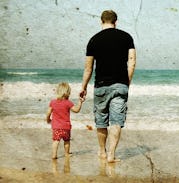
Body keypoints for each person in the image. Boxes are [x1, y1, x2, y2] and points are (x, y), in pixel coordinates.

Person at [80, 10, 136, 163]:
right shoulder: (127, 37)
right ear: (115, 21)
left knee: (101, 121)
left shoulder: (93, 40)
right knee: (117, 121)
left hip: (101, 86)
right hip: (120, 85)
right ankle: (111, 154)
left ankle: (102, 151)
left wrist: (83, 87)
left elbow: (88, 68)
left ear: (101, 21)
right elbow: (132, 62)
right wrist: (127, 81)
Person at [46, 82, 85, 159]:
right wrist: (80, 102)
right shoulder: (68, 103)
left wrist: (48, 119)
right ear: (68, 93)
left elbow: (48, 112)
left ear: (58, 91)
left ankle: (54, 155)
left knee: (56, 141)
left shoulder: (53, 102)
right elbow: (76, 110)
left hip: (56, 127)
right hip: (66, 127)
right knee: (66, 141)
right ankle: (66, 153)